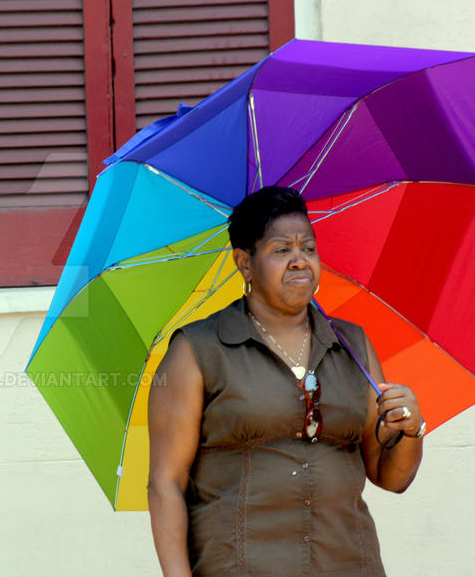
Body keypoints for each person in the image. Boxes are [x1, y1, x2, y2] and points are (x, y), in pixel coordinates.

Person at [147, 186, 425, 576]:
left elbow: (390, 477)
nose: (299, 261)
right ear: (244, 262)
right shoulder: (198, 350)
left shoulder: (352, 345)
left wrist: (411, 430)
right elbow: (165, 484)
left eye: (308, 248)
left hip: (348, 564)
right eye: (282, 250)